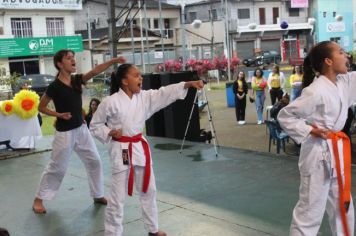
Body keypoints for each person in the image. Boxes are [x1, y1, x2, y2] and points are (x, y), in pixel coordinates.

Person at [90, 63, 204, 236]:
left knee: (148, 189)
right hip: (122, 150)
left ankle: (152, 228)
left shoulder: (144, 97)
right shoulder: (110, 102)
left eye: (140, 75)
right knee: (118, 196)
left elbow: (164, 92)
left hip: (139, 147)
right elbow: (95, 124)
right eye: (136, 75)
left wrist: (187, 84)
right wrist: (110, 132)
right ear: (124, 81)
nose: (140, 78)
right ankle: (112, 233)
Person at [32, 49, 126, 214]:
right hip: (64, 133)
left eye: (73, 57)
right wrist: (58, 114)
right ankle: (38, 199)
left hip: (81, 129)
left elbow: (95, 71)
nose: (73, 60)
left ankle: (97, 195)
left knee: (95, 161)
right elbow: (41, 107)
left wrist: (113, 61)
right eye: (68, 58)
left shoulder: (76, 80)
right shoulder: (54, 87)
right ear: (60, 64)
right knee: (57, 167)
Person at [278, 41, 355, 236]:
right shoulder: (315, 90)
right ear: (328, 61)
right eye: (341, 52)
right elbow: (285, 116)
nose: (346, 56)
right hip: (317, 155)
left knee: (343, 208)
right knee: (310, 212)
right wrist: (310, 130)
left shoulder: (343, 82)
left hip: (337, 151)